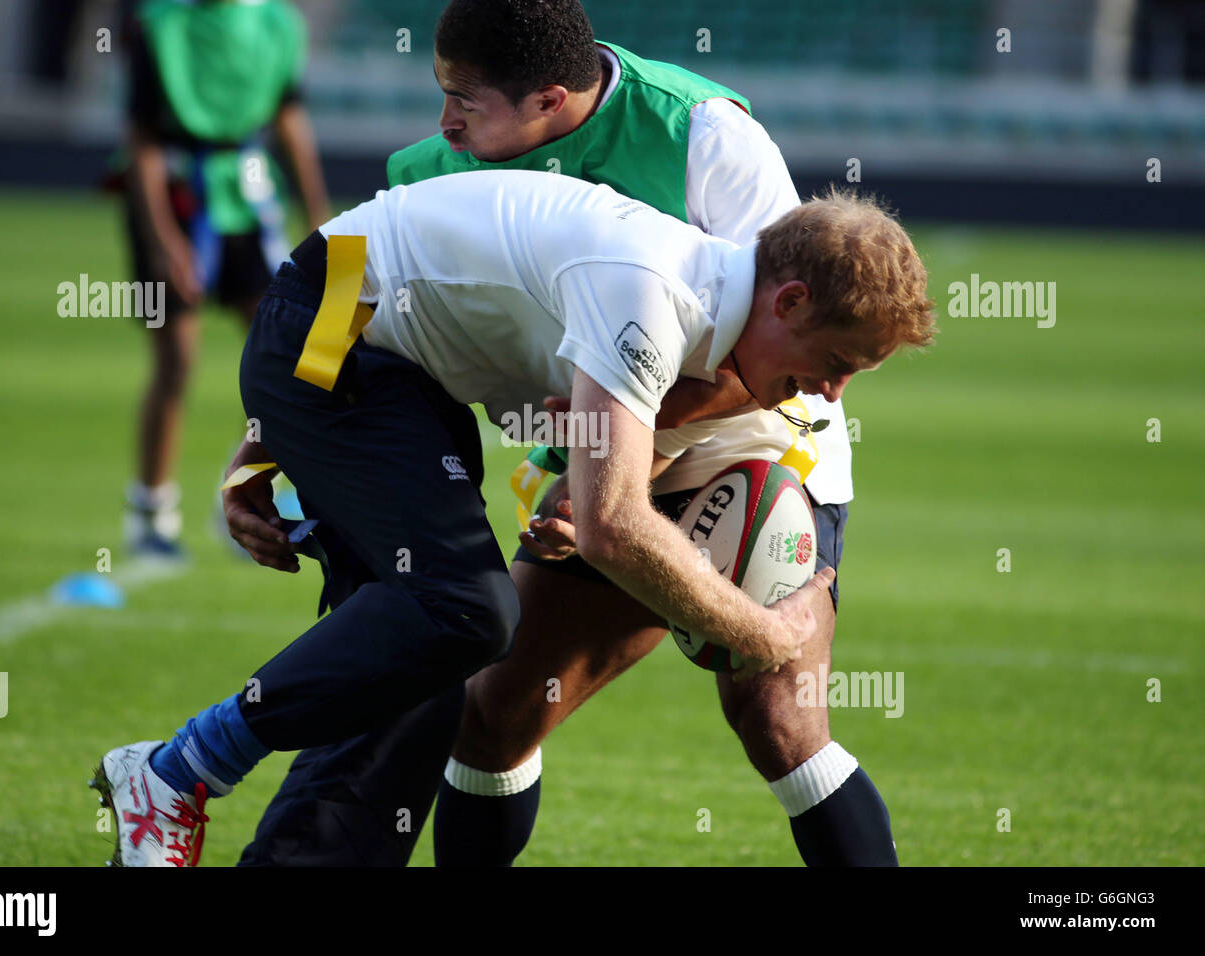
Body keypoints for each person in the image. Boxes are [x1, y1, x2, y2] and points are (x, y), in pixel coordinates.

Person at [91, 167, 934, 867]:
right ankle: (176, 771)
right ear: (786, 301)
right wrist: (761, 632)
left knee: (417, 664)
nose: (833, 395)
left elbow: (602, 492)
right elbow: (615, 529)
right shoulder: (654, 288)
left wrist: (589, 496)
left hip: (389, 376)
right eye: (835, 364)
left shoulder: (715, 336)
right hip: (336, 343)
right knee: (467, 610)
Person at [228, 0, 901, 867]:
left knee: (779, 719)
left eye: (465, 100)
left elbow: (782, 338)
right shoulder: (442, 160)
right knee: (493, 713)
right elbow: (349, 287)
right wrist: (270, 442)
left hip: (760, 440)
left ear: (548, 100)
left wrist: (603, 468)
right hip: (604, 462)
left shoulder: (703, 136)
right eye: (443, 93)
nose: (444, 124)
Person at [116, 0, 328, 558]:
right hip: (174, 193)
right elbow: (140, 138)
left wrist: (317, 212)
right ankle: (151, 513)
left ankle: (241, 499)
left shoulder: (279, 26)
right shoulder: (159, 25)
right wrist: (164, 240)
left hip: (249, 192)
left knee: (280, 354)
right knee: (177, 360)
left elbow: (287, 116)